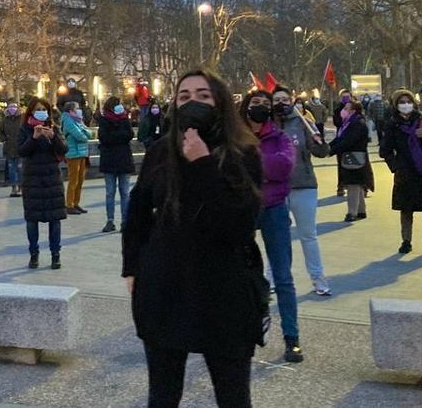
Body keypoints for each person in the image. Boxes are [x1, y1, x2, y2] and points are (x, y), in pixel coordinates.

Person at [122, 70, 264, 407]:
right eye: (184, 97)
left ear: (220, 103)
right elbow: (138, 214)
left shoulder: (243, 153)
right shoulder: (160, 152)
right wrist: (132, 268)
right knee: (163, 394)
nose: (193, 103)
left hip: (224, 290)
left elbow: (238, 223)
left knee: (232, 395)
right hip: (166, 286)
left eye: (203, 95)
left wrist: (201, 163)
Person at [241, 90, 302, 363]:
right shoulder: (235, 136)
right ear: (246, 106)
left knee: (284, 276)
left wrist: (251, 163)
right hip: (243, 208)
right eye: (256, 103)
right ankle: (241, 329)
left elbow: (284, 167)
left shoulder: (280, 137)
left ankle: (292, 337)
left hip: (275, 208)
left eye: (266, 105)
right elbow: (228, 167)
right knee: (239, 271)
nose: (261, 108)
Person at [271, 86, 333, 296]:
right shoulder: (267, 126)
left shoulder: (302, 122)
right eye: (277, 99)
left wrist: (320, 142)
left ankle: (318, 280)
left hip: (303, 185)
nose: (281, 103)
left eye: (285, 99)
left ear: (292, 101)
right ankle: (272, 279)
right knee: (277, 236)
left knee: (308, 236)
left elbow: (321, 152)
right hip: (276, 189)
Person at [380, 90, 422, 255]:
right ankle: (406, 241)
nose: (405, 105)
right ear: (396, 105)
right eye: (401, 102)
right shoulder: (392, 125)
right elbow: (385, 150)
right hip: (406, 172)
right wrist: (396, 166)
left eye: (408, 101)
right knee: (406, 208)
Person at [19, 98, 67, 269]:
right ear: (31, 111)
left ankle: (56, 254)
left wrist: (53, 137)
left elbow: (63, 149)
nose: (41, 112)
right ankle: (34, 254)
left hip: (52, 180)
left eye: (43, 109)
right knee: (32, 221)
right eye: (37, 109)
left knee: (55, 220)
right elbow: (22, 151)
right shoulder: (25, 128)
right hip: (32, 180)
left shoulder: (54, 128)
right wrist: (33, 137)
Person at [329, 99, 373, 222]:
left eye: (346, 108)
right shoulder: (348, 123)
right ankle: (361, 210)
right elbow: (339, 138)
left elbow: (348, 141)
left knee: (353, 184)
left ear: (353, 110)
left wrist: (331, 150)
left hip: (355, 157)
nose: (343, 111)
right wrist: (328, 147)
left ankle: (351, 212)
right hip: (351, 157)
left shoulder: (357, 123)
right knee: (357, 184)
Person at [98, 96, 135, 233]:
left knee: (125, 192)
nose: (121, 106)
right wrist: (121, 136)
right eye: (118, 104)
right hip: (110, 160)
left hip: (123, 160)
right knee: (110, 193)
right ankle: (110, 220)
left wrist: (116, 136)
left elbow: (130, 134)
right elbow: (104, 138)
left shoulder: (125, 119)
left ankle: (125, 221)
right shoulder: (104, 120)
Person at [60, 101, 92, 216]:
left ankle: (75, 203)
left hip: (82, 153)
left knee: (80, 180)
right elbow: (81, 137)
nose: (79, 110)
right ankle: (69, 204)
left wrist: (84, 131)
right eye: (77, 108)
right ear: (71, 110)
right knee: (73, 180)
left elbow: (90, 134)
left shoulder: (78, 120)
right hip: (73, 154)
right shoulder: (68, 121)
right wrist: (84, 132)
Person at [0, 101, 24, 198]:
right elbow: (0, 132)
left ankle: (20, 187)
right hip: (9, 148)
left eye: (14, 107)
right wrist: (4, 140)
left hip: (20, 148)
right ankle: (13, 187)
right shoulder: (5, 120)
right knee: (12, 169)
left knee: (20, 169)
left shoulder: (22, 119)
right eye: (10, 107)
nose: (12, 109)